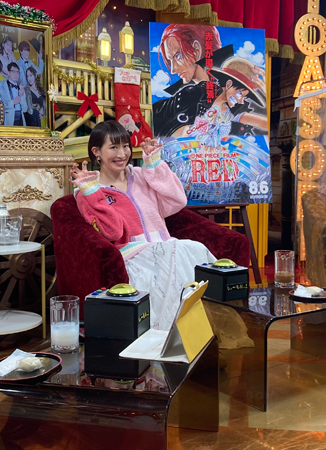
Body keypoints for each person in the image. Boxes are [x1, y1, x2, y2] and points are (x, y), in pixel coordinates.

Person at [71, 121, 216, 331]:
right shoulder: (88, 191)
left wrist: (154, 165)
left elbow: (177, 201)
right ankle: (170, 334)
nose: (122, 154)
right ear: (96, 152)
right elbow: (112, 232)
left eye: (125, 146)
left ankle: (207, 328)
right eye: (113, 147)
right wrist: (92, 192)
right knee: (178, 250)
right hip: (133, 256)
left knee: (196, 249)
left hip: (166, 247)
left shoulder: (141, 175)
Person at [152, 24, 230, 138]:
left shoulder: (190, 94)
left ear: (196, 50)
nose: (173, 70)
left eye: (178, 56)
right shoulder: (185, 96)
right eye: (170, 61)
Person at [4, 62, 27, 126]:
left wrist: (21, 96)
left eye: (17, 72)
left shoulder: (21, 87)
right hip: (9, 119)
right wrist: (13, 102)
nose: (16, 74)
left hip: (20, 119)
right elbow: (1, 105)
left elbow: (25, 109)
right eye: (13, 72)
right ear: (8, 73)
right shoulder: (3, 86)